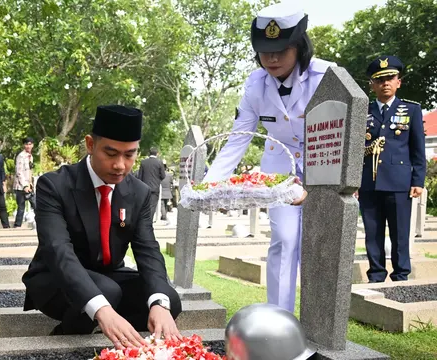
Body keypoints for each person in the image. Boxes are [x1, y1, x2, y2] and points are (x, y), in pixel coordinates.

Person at [202, 3, 334, 313]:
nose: (271, 58)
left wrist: (331, 184)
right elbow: (238, 138)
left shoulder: (326, 76)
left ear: (299, 46)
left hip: (325, 167)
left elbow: (347, 132)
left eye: (281, 49)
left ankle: (320, 322)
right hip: (281, 173)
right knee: (284, 242)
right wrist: (211, 185)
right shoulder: (255, 83)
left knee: (322, 249)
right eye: (264, 51)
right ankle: (281, 322)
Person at [22, 105, 182, 350]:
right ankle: (69, 332)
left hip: (110, 276)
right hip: (55, 278)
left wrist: (160, 303)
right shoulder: (54, 185)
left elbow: (148, 250)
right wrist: (102, 308)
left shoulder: (138, 192)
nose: (120, 165)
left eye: (129, 155)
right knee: (106, 292)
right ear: (90, 144)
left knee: (167, 299)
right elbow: (58, 251)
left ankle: (126, 336)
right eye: (111, 153)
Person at [359, 55, 426, 283]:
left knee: (400, 234)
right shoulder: (362, 112)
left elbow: (418, 149)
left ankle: (401, 276)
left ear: (399, 81)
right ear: (372, 85)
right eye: (379, 80)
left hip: (399, 183)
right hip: (369, 182)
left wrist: (418, 180)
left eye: (390, 78)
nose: (385, 83)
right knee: (373, 233)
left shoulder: (411, 110)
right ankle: (376, 275)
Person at [13, 137, 36, 228]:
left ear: (33, 145)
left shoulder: (30, 156)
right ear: (23, 145)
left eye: (30, 144)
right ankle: (17, 226)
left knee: (35, 204)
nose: (28, 146)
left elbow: (30, 171)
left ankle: (39, 223)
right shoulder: (21, 156)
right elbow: (19, 172)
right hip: (20, 186)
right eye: (26, 144)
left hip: (29, 185)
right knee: (21, 207)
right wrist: (25, 186)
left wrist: (30, 184)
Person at [137, 148, 166, 219]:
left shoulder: (143, 162)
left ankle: (143, 219)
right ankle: (149, 220)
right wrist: (157, 180)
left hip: (144, 187)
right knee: (152, 206)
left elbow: (140, 176)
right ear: (157, 153)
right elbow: (163, 175)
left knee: (144, 205)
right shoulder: (159, 162)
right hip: (155, 188)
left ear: (149, 153)